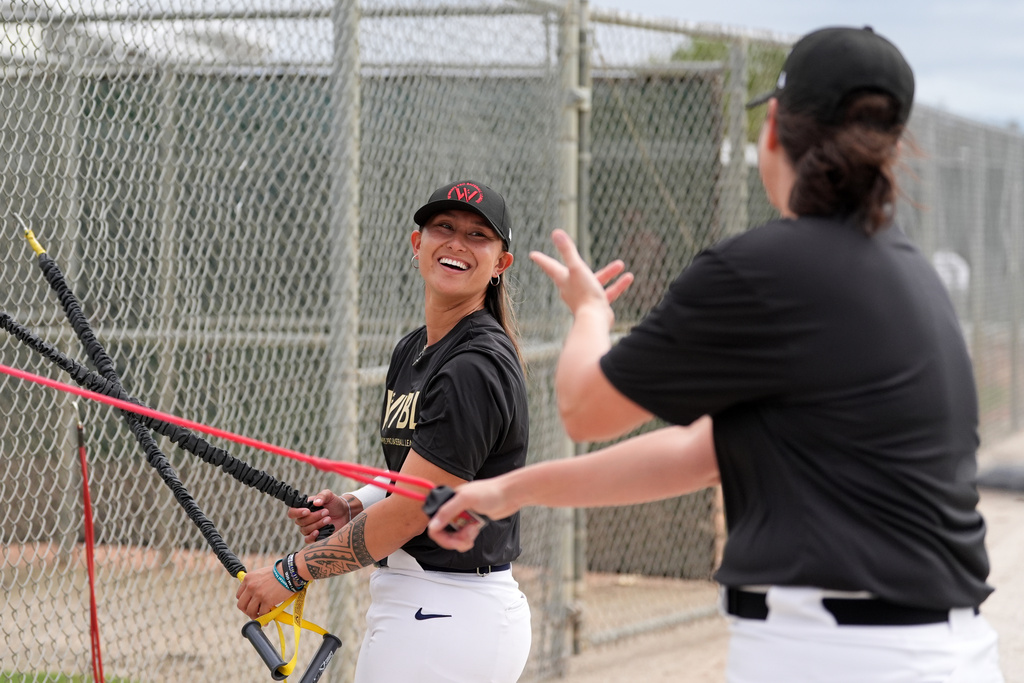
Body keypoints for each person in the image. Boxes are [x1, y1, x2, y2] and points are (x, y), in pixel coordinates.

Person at [428, 27, 1005, 683]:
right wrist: (508, 489)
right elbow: (700, 454)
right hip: (939, 650)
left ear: (774, 129)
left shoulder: (769, 267)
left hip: (834, 654)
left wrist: (590, 313)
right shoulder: (909, 275)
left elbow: (583, 406)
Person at [237, 180, 532, 682]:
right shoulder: (415, 349)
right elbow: (421, 474)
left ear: (500, 264)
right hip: (423, 608)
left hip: (448, 612)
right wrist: (355, 504)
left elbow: (413, 510)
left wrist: (291, 571)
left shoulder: (472, 367)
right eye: (444, 227)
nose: (457, 243)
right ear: (417, 243)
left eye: (478, 235)